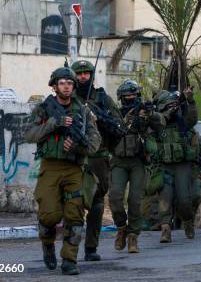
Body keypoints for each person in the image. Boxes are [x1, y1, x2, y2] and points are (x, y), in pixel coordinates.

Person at [24, 67, 101, 275]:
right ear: (55, 86)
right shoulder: (44, 109)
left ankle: (69, 260)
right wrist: (53, 124)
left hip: (75, 168)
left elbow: (95, 143)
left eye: (70, 83)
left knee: (75, 216)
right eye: (62, 83)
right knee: (49, 215)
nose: (66, 86)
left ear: (74, 86)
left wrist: (77, 146)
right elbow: (29, 135)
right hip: (50, 167)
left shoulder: (83, 112)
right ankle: (47, 244)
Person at [71, 60, 123, 261]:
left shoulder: (103, 99)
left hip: (98, 157)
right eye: (79, 73)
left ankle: (91, 248)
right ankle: (70, 248)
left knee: (97, 204)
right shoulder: (67, 98)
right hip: (74, 157)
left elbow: (118, 127)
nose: (83, 77)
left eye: (86, 73)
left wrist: (99, 118)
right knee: (73, 204)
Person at [110, 80, 165, 254]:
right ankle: (121, 228)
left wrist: (150, 114)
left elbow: (161, 123)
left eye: (133, 96)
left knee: (135, 200)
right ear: (121, 98)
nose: (130, 99)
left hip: (138, 162)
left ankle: (133, 236)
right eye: (127, 97)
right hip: (118, 161)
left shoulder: (144, 114)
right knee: (115, 197)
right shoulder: (116, 114)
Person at [152, 87, 199, 243]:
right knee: (165, 200)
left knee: (185, 200)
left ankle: (188, 221)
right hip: (164, 166)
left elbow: (192, 118)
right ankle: (165, 229)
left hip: (182, 166)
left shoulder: (181, 122)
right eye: (168, 105)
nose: (172, 108)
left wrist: (190, 100)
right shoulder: (157, 123)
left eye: (174, 105)